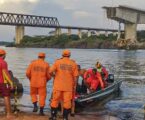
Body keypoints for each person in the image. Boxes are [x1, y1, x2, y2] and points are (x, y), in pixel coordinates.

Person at [49, 49, 78, 120]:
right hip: (68, 87)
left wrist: (54, 76)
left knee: (55, 100)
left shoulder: (57, 62)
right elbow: (76, 76)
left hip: (58, 86)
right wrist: (74, 85)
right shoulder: (73, 63)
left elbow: (50, 71)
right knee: (67, 102)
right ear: (69, 55)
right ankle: (65, 118)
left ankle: (53, 116)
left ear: (62, 55)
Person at [0, 49, 15, 119]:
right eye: (5, 54)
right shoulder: (3, 62)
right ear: (3, 55)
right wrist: (11, 83)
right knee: (6, 96)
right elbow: (5, 73)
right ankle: (9, 114)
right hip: (2, 82)